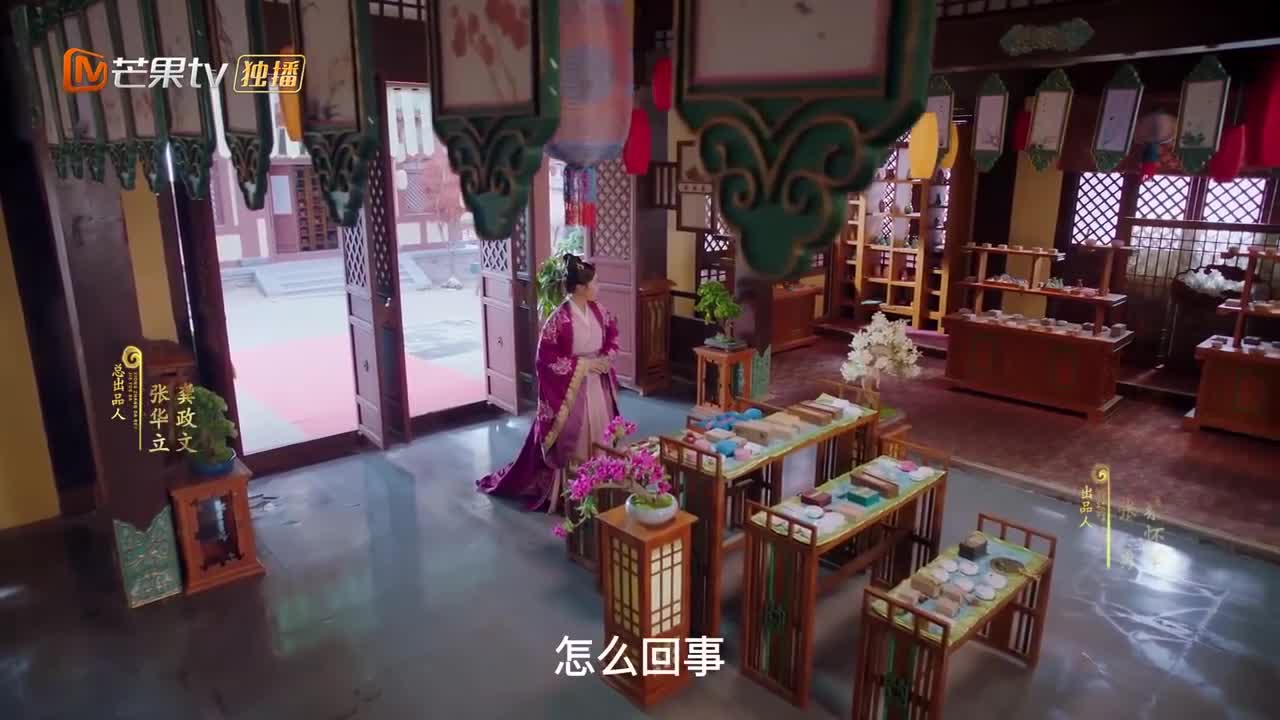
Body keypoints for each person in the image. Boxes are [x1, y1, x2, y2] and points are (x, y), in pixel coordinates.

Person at [477, 254, 620, 512]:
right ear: (580, 287)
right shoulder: (559, 319)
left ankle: (602, 484)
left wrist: (606, 358)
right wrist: (584, 365)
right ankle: (574, 491)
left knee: (602, 432)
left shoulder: (600, 311)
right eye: (595, 283)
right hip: (573, 390)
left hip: (597, 385)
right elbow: (545, 359)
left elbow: (612, 336)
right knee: (575, 438)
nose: (599, 287)